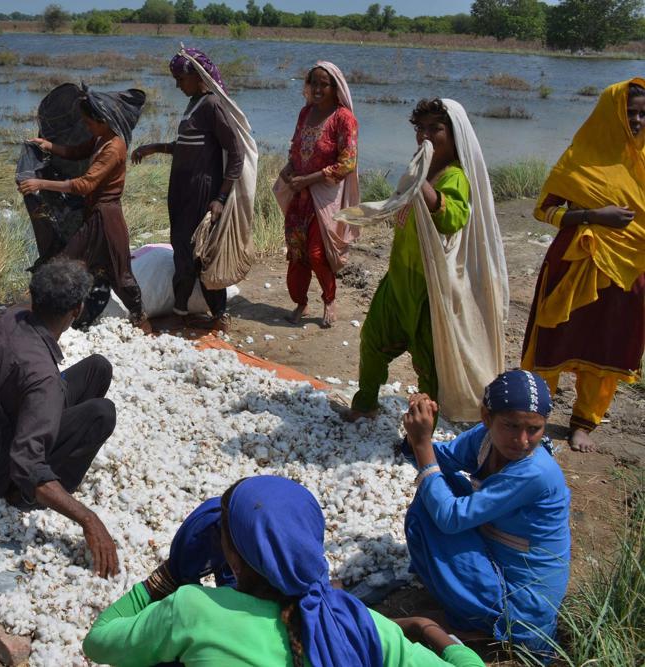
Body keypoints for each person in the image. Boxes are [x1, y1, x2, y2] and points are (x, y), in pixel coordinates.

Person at [84, 475, 486, 666]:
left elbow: (98, 642)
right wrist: (423, 627)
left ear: (233, 559)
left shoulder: (193, 610)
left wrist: (168, 575)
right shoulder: (358, 624)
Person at [0, 258, 119, 578]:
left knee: (98, 367)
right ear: (76, 311)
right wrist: (88, 519)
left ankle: (45, 438)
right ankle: (21, 495)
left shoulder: (9, 318)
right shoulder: (43, 379)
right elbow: (26, 466)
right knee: (102, 414)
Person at [347, 98, 504, 422]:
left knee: (428, 364)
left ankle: (424, 432)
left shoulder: (454, 176)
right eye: (421, 129)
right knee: (373, 340)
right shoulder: (420, 166)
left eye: (436, 128)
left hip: (430, 288)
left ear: (455, 134)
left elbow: (454, 218)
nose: (426, 136)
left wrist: (422, 187)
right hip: (399, 278)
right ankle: (365, 403)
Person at [401, 370, 571, 660]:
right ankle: (467, 604)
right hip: (500, 559)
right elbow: (440, 458)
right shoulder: (485, 440)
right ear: (486, 417)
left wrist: (421, 444)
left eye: (535, 429)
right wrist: (420, 429)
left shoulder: (535, 472)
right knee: (443, 487)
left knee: (437, 507)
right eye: (510, 425)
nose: (521, 439)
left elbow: (450, 518)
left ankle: (478, 622)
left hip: (521, 604)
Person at [521, 79, 645, 453]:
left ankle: (584, 422)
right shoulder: (580, 157)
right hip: (574, 263)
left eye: (643, 114)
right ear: (611, 113)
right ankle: (533, 415)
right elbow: (544, 209)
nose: (637, 121)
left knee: (607, 345)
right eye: (630, 113)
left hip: (629, 269)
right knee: (554, 339)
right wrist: (594, 215)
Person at [131, 49, 245, 332]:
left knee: (202, 257)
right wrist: (154, 148)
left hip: (202, 194)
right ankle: (181, 312)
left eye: (180, 78)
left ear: (197, 76)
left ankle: (219, 316)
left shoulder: (212, 105)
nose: (177, 85)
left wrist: (220, 197)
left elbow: (237, 152)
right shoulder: (194, 103)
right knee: (182, 253)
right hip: (182, 192)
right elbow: (187, 148)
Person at [20, 88, 150, 332]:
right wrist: (48, 145)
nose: (87, 127)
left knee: (121, 276)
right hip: (94, 216)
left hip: (107, 218)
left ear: (104, 121)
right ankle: (58, 316)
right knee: (63, 263)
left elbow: (85, 184)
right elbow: (76, 152)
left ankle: (141, 319)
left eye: (90, 123)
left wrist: (41, 183)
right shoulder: (101, 138)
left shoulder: (114, 147)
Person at [278, 62, 360, 326]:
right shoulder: (305, 113)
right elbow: (296, 146)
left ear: (334, 88)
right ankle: (300, 302)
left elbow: (347, 163)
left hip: (324, 196)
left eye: (324, 84)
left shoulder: (343, 118)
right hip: (299, 195)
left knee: (317, 253)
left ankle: (329, 299)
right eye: (314, 82)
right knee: (296, 251)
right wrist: (290, 169)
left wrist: (310, 180)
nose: (317, 89)